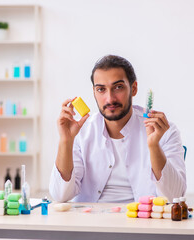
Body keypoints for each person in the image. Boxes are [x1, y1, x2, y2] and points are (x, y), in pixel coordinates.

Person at [49, 55, 186, 203]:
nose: (110, 99)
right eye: (101, 89)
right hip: (89, 223)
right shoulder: (81, 131)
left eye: (118, 87)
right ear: (94, 92)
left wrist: (154, 146)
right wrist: (66, 141)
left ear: (133, 89)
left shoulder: (164, 131)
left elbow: (175, 197)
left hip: (143, 222)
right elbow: (60, 196)